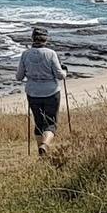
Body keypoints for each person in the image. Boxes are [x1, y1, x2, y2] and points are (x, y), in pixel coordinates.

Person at [16, 25, 68, 157]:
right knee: (51, 122)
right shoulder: (51, 54)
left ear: (32, 38)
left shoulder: (25, 54)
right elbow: (59, 75)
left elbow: (19, 76)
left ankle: (41, 154)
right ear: (46, 39)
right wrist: (65, 71)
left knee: (38, 122)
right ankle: (45, 145)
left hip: (33, 92)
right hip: (51, 91)